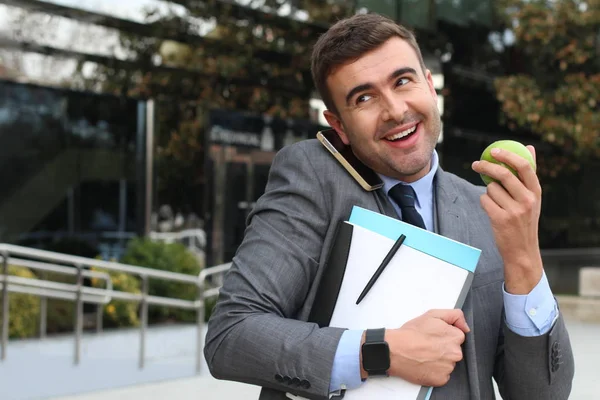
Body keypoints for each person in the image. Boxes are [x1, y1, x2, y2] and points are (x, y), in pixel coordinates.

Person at [204, 13, 574, 400]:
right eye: (364, 97)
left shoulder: (485, 208)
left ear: (431, 87)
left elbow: (542, 394)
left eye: (403, 81)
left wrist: (525, 256)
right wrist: (379, 353)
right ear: (339, 126)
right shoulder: (312, 177)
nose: (395, 110)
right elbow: (231, 334)